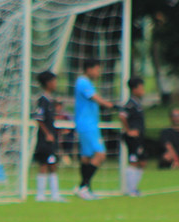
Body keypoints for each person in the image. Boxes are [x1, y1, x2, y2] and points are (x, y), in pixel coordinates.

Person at [73, 58, 115, 200]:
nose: (99, 72)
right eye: (97, 69)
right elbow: (94, 97)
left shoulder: (86, 82)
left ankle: (86, 188)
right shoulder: (83, 82)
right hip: (87, 125)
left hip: (87, 124)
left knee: (86, 157)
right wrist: (109, 104)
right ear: (89, 69)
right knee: (100, 154)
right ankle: (83, 186)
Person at [32, 70, 64, 202]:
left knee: (51, 164)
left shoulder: (50, 100)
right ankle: (42, 195)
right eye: (54, 81)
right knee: (45, 164)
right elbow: (39, 118)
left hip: (50, 137)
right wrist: (48, 134)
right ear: (48, 83)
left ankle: (52, 194)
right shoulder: (42, 100)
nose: (56, 84)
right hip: (45, 139)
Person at [119, 77, 147, 197]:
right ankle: (131, 190)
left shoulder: (137, 103)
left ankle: (133, 187)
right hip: (132, 137)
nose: (143, 90)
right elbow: (122, 116)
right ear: (135, 89)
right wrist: (128, 130)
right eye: (141, 87)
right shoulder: (130, 104)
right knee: (134, 160)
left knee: (143, 160)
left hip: (139, 136)